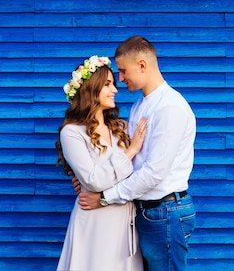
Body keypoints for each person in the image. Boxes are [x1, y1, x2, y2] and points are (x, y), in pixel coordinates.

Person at [76, 36, 197, 271]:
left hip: (165, 213)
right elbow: (126, 158)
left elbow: (153, 173)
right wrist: (88, 179)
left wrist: (103, 197)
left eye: (122, 71)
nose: (120, 79)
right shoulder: (141, 106)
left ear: (142, 65)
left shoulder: (169, 107)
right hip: (146, 212)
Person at [56, 55, 147, 271]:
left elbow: (140, 173)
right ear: (90, 89)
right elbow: (94, 181)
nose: (115, 89)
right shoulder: (72, 133)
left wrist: (100, 180)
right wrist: (131, 151)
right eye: (107, 84)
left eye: (114, 83)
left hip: (124, 224)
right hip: (94, 222)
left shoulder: (122, 128)